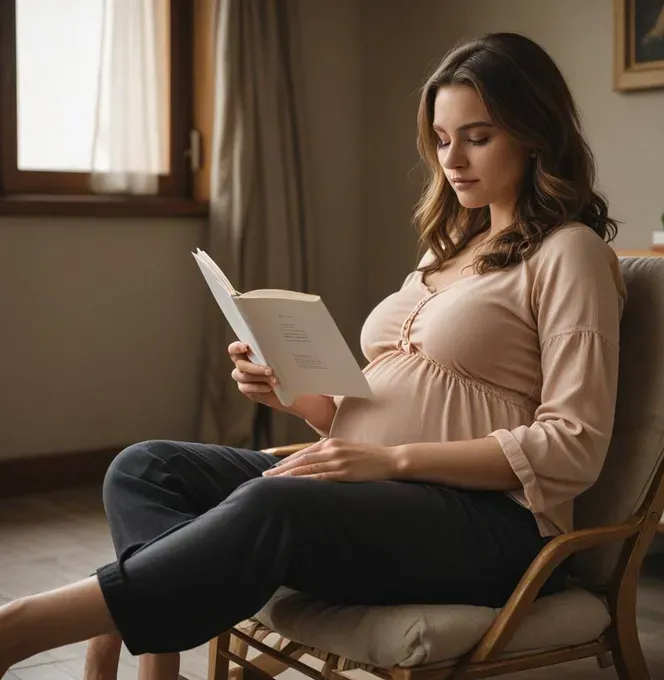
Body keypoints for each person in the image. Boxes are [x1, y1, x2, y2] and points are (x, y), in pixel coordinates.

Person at [0, 31, 626, 680]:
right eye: (441, 140)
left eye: (477, 136)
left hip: (490, 529)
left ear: (534, 131)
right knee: (146, 468)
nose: (453, 160)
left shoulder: (569, 253)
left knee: (276, 507)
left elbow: (574, 444)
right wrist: (293, 397)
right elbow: (375, 417)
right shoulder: (445, 253)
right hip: (376, 497)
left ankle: (27, 627)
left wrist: (390, 459)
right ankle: (159, 665)